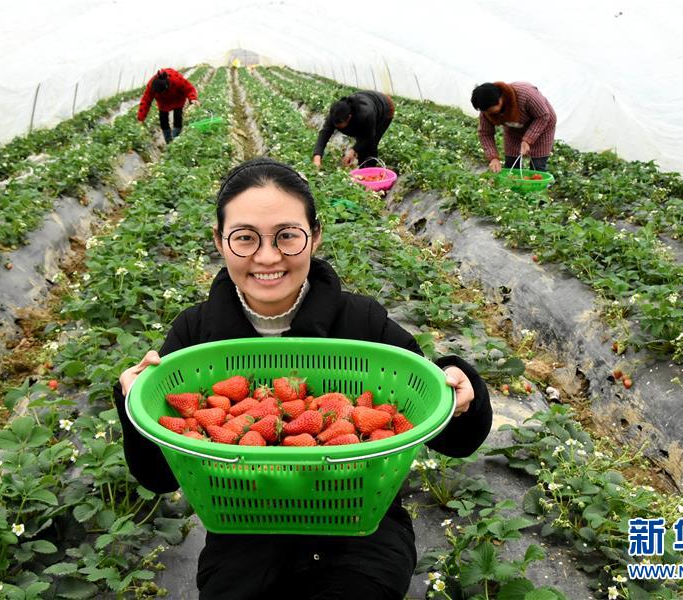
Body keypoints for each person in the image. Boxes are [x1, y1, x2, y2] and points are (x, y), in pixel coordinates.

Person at [113, 158, 493, 600]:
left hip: (359, 530)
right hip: (242, 535)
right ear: (220, 242)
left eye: (287, 236)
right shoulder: (195, 335)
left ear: (314, 237)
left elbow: (452, 437)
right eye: (245, 238)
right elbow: (160, 477)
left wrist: (460, 384)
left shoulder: (361, 321)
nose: (268, 256)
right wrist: (134, 401)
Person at [471, 82, 556, 173]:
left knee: (537, 166)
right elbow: (485, 133)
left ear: (500, 99)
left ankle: (538, 185)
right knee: (511, 164)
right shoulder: (486, 110)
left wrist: (528, 139)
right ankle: (514, 185)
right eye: (485, 111)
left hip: (542, 125)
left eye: (490, 110)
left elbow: (543, 116)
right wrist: (493, 158)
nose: (488, 113)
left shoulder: (526, 95)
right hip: (514, 130)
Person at [312, 91, 395, 169]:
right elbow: (324, 133)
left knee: (370, 144)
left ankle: (369, 172)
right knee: (361, 145)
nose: (337, 128)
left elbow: (368, 135)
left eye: (340, 126)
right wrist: (317, 157)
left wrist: (353, 150)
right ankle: (362, 170)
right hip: (368, 100)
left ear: (349, 117)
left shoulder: (365, 114)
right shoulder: (335, 115)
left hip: (385, 107)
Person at [137, 68, 200, 144]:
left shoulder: (176, 80)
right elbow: (146, 100)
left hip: (178, 99)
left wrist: (192, 98)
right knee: (163, 120)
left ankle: (176, 140)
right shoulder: (151, 86)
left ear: (167, 86)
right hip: (163, 103)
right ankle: (169, 142)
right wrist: (141, 118)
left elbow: (189, 89)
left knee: (178, 117)